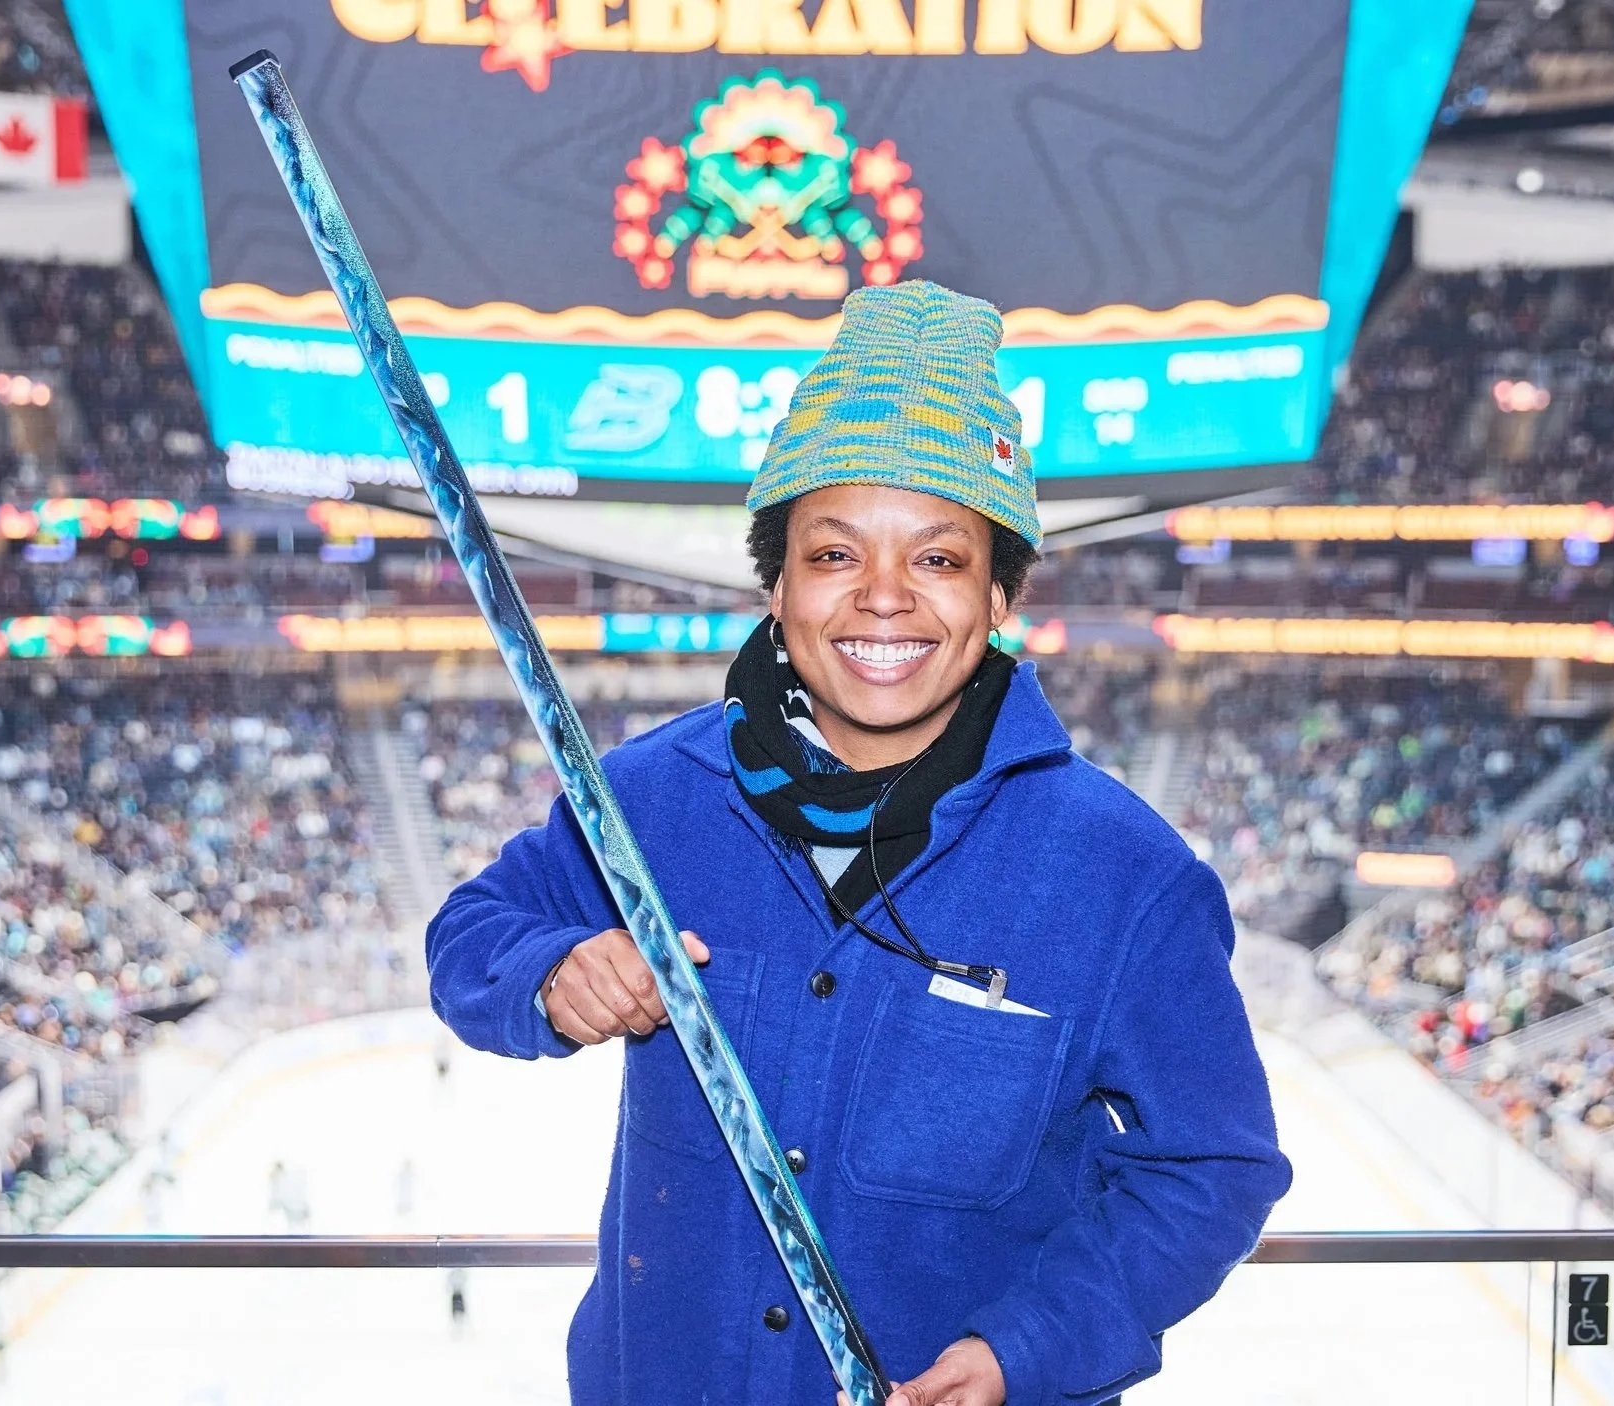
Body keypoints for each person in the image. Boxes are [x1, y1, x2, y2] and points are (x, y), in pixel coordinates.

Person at [429, 280, 1291, 1406]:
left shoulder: (1124, 875)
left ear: (996, 597)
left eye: (937, 558)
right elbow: (469, 935)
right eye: (835, 554)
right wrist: (549, 972)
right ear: (776, 585)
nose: (883, 599)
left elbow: (1211, 1166)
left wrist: (1026, 1349)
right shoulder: (645, 799)